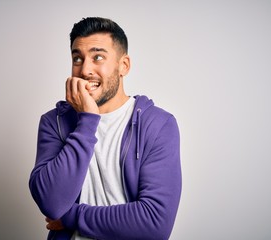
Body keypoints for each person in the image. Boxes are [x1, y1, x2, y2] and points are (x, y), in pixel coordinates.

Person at [29, 17, 182, 240]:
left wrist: (71, 215)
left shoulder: (158, 125)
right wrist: (88, 120)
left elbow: (155, 223)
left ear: (124, 66)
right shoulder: (55, 123)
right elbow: (52, 204)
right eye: (77, 58)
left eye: (97, 57)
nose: (85, 69)